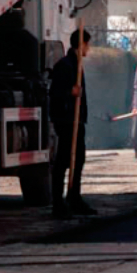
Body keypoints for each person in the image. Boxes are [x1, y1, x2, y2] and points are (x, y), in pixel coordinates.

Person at [50, 29, 96, 217]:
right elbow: (55, 93)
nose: (89, 48)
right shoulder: (65, 65)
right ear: (82, 44)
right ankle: (58, 204)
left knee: (78, 159)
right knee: (63, 160)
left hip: (76, 120)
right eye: (87, 44)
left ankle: (74, 198)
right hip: (67, 119)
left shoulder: (76, 64)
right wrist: (71, 92)